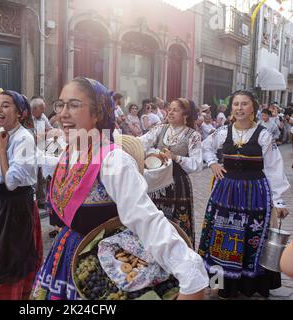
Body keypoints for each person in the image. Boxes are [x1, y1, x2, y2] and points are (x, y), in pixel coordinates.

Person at [31, 77, 209, 300]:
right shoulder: (69, 150)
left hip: (101, 265)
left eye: (74, 105)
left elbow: (145, 219)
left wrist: (190, 273)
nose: (63, 113)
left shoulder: (113, 161)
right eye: (61, 104)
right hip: (65, 253)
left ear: (97, 114)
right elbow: (38, 157)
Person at [199, 90, 290, 299]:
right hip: (225, 191)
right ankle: (218, 286)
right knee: (219, 238)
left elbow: (274, 169)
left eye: (244, 104)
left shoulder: (264, 135)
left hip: (254, 194)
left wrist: (278, 201)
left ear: (253, 108)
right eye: (236, 104)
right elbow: (206, 147)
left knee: (251, 238)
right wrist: (213, 163)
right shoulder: (222, 132)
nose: (239, 108)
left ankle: (247, 287)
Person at [0, 90, 43, 300]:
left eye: (5, 105)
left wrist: (2, 150)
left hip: (18, 207)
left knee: (10, 257)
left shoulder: (24, 138)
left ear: (20, 113)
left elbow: (11, 182)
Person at [139, 98, 202, 245]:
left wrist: (176, 157)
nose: (170, 112)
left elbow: (197, 164)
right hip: (158, 183)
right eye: (170, 109)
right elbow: (140, 142)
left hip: (178, 182)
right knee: (155, 217)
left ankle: (179, 252)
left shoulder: (193, 135)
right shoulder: (160, 129)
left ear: (185, 115)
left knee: (177, 220)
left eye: (175, 110)